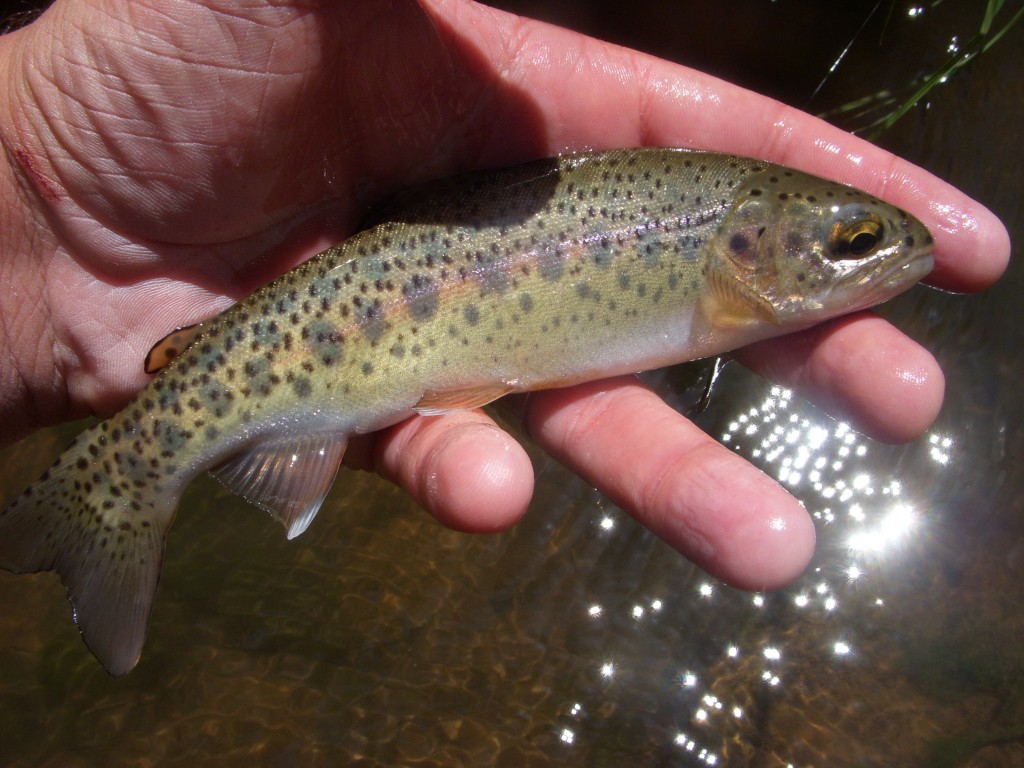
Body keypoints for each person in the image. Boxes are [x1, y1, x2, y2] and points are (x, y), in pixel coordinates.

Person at [0, 0, 1008, 592]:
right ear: (752, 247)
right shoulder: (710, 250)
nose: (878, 254)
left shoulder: (719, 239)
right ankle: (105, 495)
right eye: (853, 242)